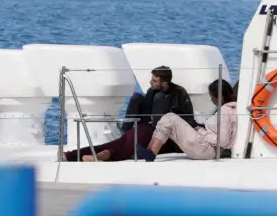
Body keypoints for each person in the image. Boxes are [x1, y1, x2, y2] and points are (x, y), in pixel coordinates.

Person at [62, 65, 197, 162]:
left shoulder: (179, 93)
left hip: (162, 136)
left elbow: (188, 121)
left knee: (121, 147)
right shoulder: (152, 92)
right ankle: (76, 155)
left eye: (154, 80)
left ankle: (90, 155)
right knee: (137, 97)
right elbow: (145, 110)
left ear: (165, 83)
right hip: (145, 129)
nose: (150, 82)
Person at [139, 79, 237, 161]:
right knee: (169, 119)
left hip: (209, 150)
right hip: (208, 148)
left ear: (220, 97)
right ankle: (149, 151)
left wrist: (201, 131)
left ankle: (151, 152)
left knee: (169, 118)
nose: (212, 100)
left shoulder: (225, 111)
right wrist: (198, 127)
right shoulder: (230, 109)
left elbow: (223, 140)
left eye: (213, 97)